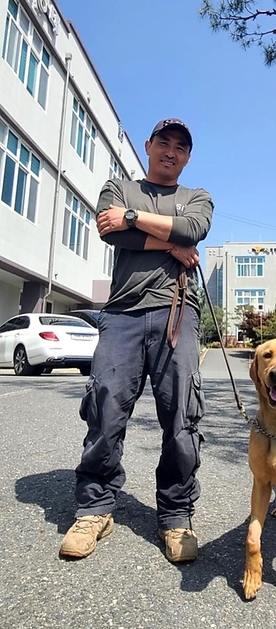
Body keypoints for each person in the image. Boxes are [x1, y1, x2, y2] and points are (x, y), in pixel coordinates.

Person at [59, 118, 213, 563]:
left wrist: (135, 219)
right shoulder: (118, 186)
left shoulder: (197, 198)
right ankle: (94, 508)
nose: (171, 151)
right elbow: (110, 230)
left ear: (187, 157)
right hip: (122, 314)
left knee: (182, 415)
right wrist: (168, 242)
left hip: (177, 315)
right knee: (105, 407)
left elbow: (192, 231)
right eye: (163, 142)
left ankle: (177, 514)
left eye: (180, 146)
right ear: (148, 146)